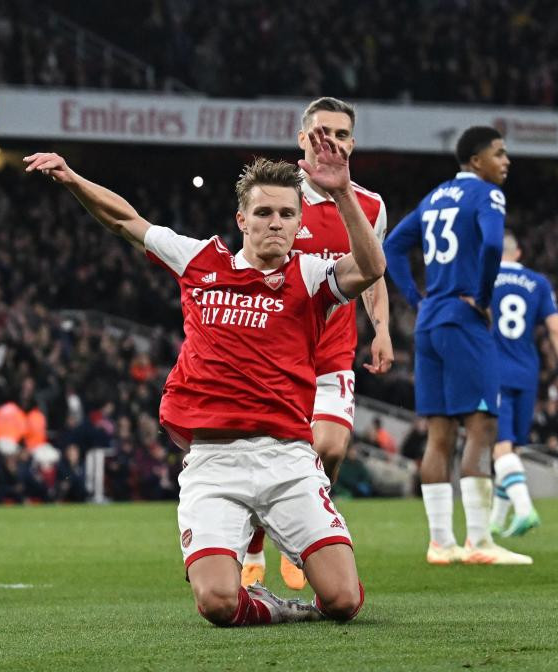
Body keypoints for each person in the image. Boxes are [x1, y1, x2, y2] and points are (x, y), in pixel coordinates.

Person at [23, 125, 384, 626]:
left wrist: (342, 192)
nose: (275, 223)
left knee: (344, 601)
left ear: (299, 222)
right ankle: (278, 609)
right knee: (216, 603)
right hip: (213, 462)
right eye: (263, 213)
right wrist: (72, 179)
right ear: (242, 219)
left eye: (286, 214)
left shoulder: (311, 274)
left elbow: (370, 266)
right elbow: (125, 220)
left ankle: (294, 575)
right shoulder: (200, 259)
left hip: (287, 459)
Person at [242, 97, 392, 591]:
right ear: (304, 139)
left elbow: (372, 272)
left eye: (342, 134)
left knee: (327, 447)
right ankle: (258, 543)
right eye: (322, 132)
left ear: (352, 143)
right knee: (269, 455)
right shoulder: (280, 199)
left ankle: (300, 538)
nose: (332, 141)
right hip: (277, 358)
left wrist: (382, 329)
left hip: (332, 355)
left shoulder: (369, 204)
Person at [385, 126, 530, 565]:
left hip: (429, 324)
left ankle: (440, 542)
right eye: (499, 154)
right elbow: (491, 243)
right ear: (475, 160)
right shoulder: (487, 195)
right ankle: (480, 543)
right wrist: (484, 297)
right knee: (483, 425)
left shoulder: (435, 197)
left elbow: (392, 245)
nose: (506, 162)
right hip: (465, 322)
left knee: (440, 434)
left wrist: (415, 298)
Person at [487, 231, 558, 537]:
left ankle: (525, 509)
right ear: (519, 253)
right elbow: (556, 330)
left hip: (493, 370)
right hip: (527, 372)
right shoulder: (538, 282)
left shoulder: (483, 277)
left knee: (500, 448)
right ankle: (497, 523)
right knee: (510, 448)